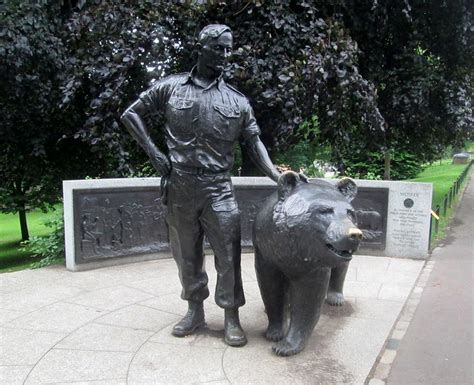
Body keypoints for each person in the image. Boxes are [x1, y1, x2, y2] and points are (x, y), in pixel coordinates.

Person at [121, 24, 280, 347]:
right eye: (219, 48)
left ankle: (231, 317)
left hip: (218, 187)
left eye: (228, 49)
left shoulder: (237, 101)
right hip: (179, 185)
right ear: (202, 47)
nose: (224, 55)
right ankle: (194, 311)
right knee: (186, 253)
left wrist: (277, 176)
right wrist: (154, 154)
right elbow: (130, 114)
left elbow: (254, 143)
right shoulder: (171, 87)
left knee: (228, 254)